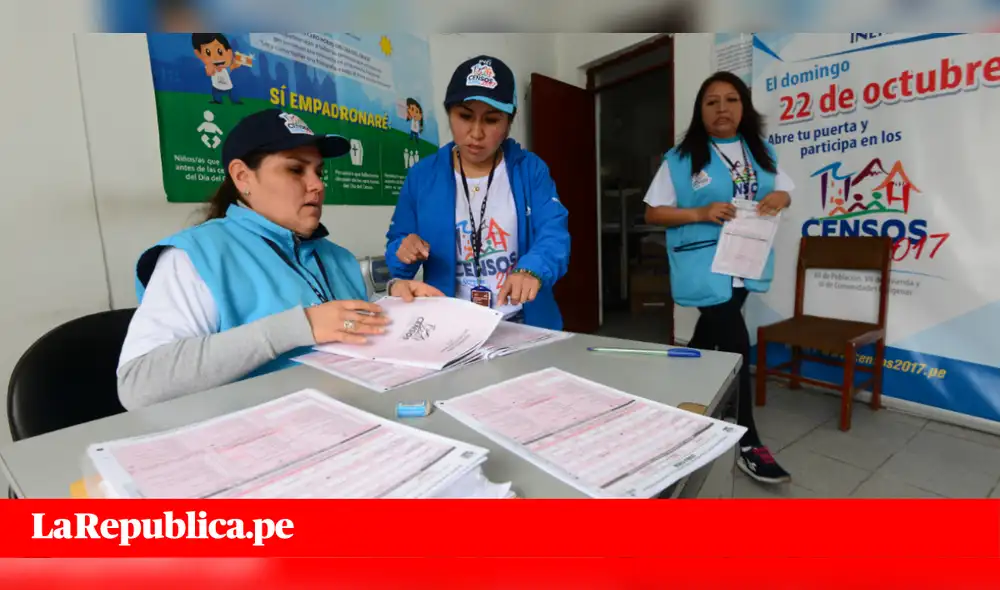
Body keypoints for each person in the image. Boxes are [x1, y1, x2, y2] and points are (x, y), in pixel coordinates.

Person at [117, 108, 442, 410]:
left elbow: (350, 328)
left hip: (357, 422)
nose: (317, 185)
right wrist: (302, 327)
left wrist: (396, 300)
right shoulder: (195, 257)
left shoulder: (336, 257)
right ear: (243, 177)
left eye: (318, 171)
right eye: (295, 169)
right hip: (255, 448)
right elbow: (138, 384)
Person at [643, 71, 794, 484]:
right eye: (712, 101)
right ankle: (747, 440)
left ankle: (680, 393)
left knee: (710, 337)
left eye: (730, 100)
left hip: (747, 258)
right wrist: (700, 212)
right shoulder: (680, 158)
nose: (722, 108)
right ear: (700, 110)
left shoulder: (761, 152)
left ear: (743, 107)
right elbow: (653, 213)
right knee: (736, 344)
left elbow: (783, 192)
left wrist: (782, 197)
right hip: (705, 264)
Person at [385, 55, 570, 329]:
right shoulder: (422, 177)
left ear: (509, 122)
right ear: (449, 113)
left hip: (523, 322)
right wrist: (403, 251)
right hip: (450, 325)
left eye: (492, 120)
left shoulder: (530, 170)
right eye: (465, 116)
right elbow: (397, 256)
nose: (476, 132)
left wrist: (532, 269)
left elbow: (554, 234)